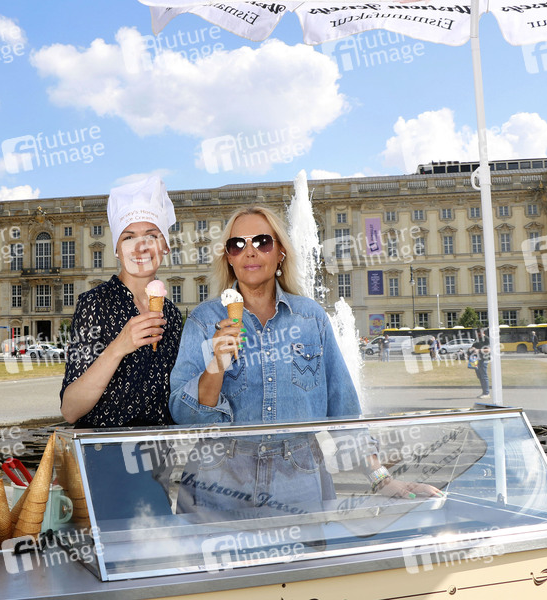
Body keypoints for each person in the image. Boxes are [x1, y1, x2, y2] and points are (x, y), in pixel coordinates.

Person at [169, 206, 439, 517]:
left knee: (300, 552)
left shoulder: (311, 318)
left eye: (262, 242)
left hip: (297, 481)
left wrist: (381, 479)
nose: (249, 252)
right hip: (219, 481)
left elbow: (343, 410)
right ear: (229, 257)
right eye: (237, 244)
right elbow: (182, 414)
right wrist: (216, 365)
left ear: (280, 252)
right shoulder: (204, 320)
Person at [60, 175, 181, 428]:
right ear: (117, 249)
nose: (140, 247)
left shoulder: (171, 313)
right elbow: (70, 410)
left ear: (165, 246)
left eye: (151, 235)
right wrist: (118, 347)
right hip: (105, 448)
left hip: (161, 448)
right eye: (128, 237)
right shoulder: (95, 304)